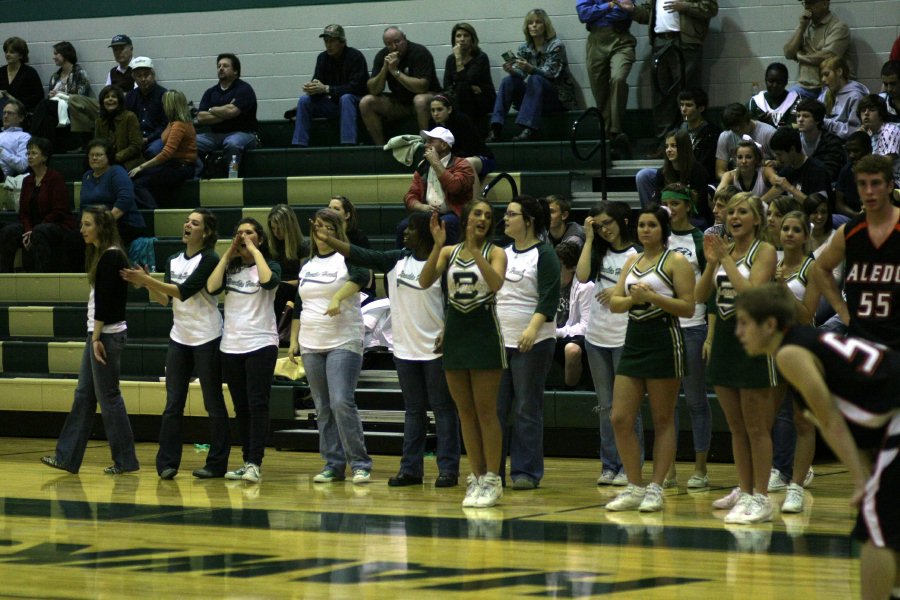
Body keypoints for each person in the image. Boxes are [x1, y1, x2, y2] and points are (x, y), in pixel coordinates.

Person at [734, 283, 899, 600]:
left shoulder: (790, 354)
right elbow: (845, 423)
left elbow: (831, 420)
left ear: (769, 325)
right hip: (889, 420)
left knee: (873, 528)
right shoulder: (804, 344)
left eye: (744, 323)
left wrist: (862, 481)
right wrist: (863, 474)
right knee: (886, 523)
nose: (738, 332)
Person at [314, 211, 461, 488]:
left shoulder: (441, 262)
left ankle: (448, 470)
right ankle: (410, 470)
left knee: (443, 409)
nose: (405, 234)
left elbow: (454, 300)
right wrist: (331, 240)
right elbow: (360, 254)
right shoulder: (396, 259)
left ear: (427, 233)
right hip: (404, 349)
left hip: (435, 349)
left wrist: (448, 329)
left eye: (411, 229)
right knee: (414, 411)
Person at [120, 209, 231, 480]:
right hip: (179, 338)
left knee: (213, 403)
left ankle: (216, 463)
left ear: (205, 232)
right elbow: (165, 299)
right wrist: (148, 284)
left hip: (207, 336)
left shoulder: (210, 259)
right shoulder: (173, 260)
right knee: (173, 404)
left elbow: (183, 291)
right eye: (187, 221)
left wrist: (146, 279)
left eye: (194, 223)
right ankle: (167, 463)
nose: (187, 225)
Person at [605, 206, 695, 512]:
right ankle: (634, 485)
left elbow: (688, 307)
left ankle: (656, 487)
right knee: (620, 417)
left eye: (652, 225)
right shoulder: (632, 259)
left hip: (665, 340)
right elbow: (616, 304)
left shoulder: (677, 261)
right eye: (642, 225)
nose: (646, 230)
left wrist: (653, 297)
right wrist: (634, 299)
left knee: (662, 418)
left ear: (663, 229)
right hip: (634, 340)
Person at [695, 192, 778, 524]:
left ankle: (762, 496)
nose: (735, 217)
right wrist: (713, 262)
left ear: (757, 219)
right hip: (726, 343)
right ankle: (744, 490)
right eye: (731, 213)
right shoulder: (722, 253)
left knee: (757, 426)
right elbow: (701, 297)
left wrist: (724, 258)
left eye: (743, 212)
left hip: (755, 344)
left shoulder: (766, 251)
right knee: (736, 427)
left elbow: (753, 293)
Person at [419, 200, 508, 508]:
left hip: (484, 334)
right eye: (477, 214)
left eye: (487, 215)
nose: (482, 218)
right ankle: (477, 475)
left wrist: (474, 249)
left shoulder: (496, 253)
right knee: (465, 413)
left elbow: (495, 284)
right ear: (466, 218)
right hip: (456, 334)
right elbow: (424, 280)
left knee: (486, 412)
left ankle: (493, 479)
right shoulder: (448, 252)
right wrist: (438, 245)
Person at [40, 205, 138, 475]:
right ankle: (67, 457)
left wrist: (95, 339)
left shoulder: (110, 256)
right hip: (98, 334)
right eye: (82, 224)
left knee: (109, 397)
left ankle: (126, 460)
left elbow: (106, 304)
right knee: (84, 395)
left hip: (105, 335)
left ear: (101, 227)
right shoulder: (103, 255)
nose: (82, 230)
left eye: (87, 224)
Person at [290, 209, 372, 485]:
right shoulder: (308, 264)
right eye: (318, 227)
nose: (321, 232)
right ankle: (333, 464)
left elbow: (363, 276)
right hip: (311, 343)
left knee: (341, 401)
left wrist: (337, 297)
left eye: (328, 227)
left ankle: (360, 463)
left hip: (343, 340)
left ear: (338, 231)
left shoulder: (347, 257)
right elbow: (300, 305)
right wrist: (293, 341)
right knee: (322, 406)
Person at [206, 218, 281, 484]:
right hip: (231, 345)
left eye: (249, 233)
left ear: (259, 238)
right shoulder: (231, 268)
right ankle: (246, 460)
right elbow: (212, 287)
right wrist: (228, 254)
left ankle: (254, 462)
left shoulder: (269, 264)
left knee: (257, 403)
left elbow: (269, 282)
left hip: (261, 343)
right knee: (241, 407)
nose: (243, 237)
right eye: (239, 233)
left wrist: (255, 252)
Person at [575, 201, 642, 486]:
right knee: (604, 406)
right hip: (596, 338)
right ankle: (609, 465)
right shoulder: (598, 252)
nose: (605, 230)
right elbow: (580, 276)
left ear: (622, 221)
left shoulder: (635, 254)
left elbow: (642, 288)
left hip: (625, 337)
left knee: (627, 408)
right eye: (599, 225)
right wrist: (588, 240)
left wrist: (619, 287)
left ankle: (631, 467)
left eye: (608, 223)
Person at [495, 196, 561, 490]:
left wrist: (532, 329)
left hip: (532, 344)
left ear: (529, 221)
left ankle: (526, 472)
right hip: (499, 342)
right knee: (494, 409)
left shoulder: (544, 254)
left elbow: (548, 297)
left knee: (525, 408)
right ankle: (491, 472)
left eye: (511, 214)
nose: (505, 219)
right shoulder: (501, 253)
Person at [815, 155, 900, 350]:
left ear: (889, 186)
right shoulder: (848, 232)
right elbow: (820, 269)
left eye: (876, 183)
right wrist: (842, 311)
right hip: (862, 335)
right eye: (862, 184)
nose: (869, 191)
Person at [767, 211, 820, 511]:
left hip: (801, 348)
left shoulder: (811, 268)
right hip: (772, 346)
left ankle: (797, 485)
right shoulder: (770, 262)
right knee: (767, 416)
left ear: (804, 236)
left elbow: (806, 315)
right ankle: (773, 472)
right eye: (785, 228)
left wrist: (783, 288)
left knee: (802, 419)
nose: (788, 234)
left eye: (795, 230)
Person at [661, 185, 712, 489]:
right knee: (666, 403)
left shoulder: (699, 239)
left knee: (695, 400)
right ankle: (668, 468)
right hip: (664, 329)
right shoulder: (657, 239)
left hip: (693, 326)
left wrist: (710, 332)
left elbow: (711, 286)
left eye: (675, 204)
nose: (669, 209)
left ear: (687, 206)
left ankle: (701, 468)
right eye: (664, 203)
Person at [632, 0, 719, 142]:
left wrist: (684, 6)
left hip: (685, 41)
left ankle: (692, 140)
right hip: (660, 41)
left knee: (688, 92)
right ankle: (666, 143)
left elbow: (710, 8)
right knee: (661, 95)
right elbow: (648, 13)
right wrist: (632, 10)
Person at [488, 9, 575, 143]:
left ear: (545, 25)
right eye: (530, 23)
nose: (533, 25)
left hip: (556, 97)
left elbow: (552, 73)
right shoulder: (525, 48)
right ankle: (496, 127)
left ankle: (530, 129)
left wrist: (531, 69)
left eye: (538, 22)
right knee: (508, 81)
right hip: (535, 95)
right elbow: (521, 75)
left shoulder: (556, 45)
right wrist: (512, 71)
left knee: (535, 78)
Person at [0, 136, 73, 272]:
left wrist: (34, 230)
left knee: (40, 232)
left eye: (33, 153)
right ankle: (5, 276)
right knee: (8, 231)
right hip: (33, 226)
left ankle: (41, 277)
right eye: (28, 153)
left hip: (57, 225)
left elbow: (59, 211)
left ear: (44, 157)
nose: (29, 156)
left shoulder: (55, 178)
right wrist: (28, 230)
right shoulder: (27, 180)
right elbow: (23, 212)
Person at [360, 27, 439, 146]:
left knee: (420, 100)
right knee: (366, 102)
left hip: (427, 99)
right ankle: (381, 148)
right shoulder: (383, 56)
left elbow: (422, 87)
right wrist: (385, 69)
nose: (394, 47)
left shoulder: (419, 52)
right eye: (389, 44)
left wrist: (396, 72)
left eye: (397, 41)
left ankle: (425, 147)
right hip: (400, 102)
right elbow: (373, 89)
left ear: (405, 39)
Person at [291, 24, 368, 147]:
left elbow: (357, 87)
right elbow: (318, 82)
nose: (328, 45)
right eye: (326, 41)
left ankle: (348, 145)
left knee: (346, 98)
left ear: (342, 42)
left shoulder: (355, 56)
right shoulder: (322, 58)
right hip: (333, 105)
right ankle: (299, 144)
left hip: (355, 105)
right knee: (304, 100)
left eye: (332, 41)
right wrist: (312, 88)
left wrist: (327, 88)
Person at [398, 126, 475, 247]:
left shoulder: (463, 165)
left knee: (446, 223)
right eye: (426, 141)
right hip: (428, 213)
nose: (426, 145)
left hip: (455, 214)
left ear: (444, 145)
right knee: (404, 226)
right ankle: (403, 262)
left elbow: (455, 187)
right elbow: (410, 196)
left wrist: (435, 163)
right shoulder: (423, 166)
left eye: (431, 141)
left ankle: (449, 262)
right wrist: (422, 207)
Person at [576, 0, 637, 155]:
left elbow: (623, 11)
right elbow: (583, 14)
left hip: (621, 39)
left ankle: (615, 131)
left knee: (618, 78)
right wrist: (609, 5)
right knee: (599, 90)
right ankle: (608, 137)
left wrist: (597, 12)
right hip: (596, 40)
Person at [128, 90, 197, 208]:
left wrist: (141, 166)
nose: (163, 106)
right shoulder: (172, 122)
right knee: (136, 176)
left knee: (139, 184)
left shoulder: (179, 125)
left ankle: (155, 213)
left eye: (164, 103)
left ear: (170, 105)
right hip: (173, 164)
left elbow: (166, 153)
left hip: (181, 167)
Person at [196, 53, 258, 171]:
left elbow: (232, 111)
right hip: (215, 135)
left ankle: (232, 177)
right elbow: (201, 117)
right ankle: (198, 176)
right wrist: (226, 113)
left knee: (232, 143)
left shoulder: (244, 89)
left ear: (235, 71)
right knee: (189, 142)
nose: (221, 68)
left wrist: (212, 109)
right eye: (219, 66)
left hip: (243, 133)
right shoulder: (210, 92)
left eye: (225, 66)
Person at [79, 138, 145, 248]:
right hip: (94, 224)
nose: (94, 158)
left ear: (108, 157)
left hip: (121, 223)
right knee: (72, 238)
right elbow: (83, 205)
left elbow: (125, 199)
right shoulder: (87, 176)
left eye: (99, 155)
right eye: (92, 155)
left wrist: (104, 223)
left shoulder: (117, 172)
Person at [636, 129, 709, 222]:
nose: (668, 150)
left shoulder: (698, 171)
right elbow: (658, 202)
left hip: (692, 218)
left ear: (684, 148)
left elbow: (700, 206)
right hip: (668, 217)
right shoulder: (662, 173)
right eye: (666, 146)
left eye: (673, 146)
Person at [783, 0, 849, 100]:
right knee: (786, 103)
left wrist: (799, 56)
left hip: (827, 87)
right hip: (803, 87)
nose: (807, 7)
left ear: (825, 3)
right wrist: (801, 28)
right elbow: (788, 53)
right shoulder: (805, 26)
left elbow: (826, 57)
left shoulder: (838, 27)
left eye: (811, 3)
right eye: (806, 3)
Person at [441, 23, 495, 135]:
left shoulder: (480, 57)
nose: (462, 39)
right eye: (458, 36)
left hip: (482, 98)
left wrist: (459, 59)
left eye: (466, 36)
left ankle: (468, 133)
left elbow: (466, 80)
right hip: (460, 98)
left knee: (462, 87)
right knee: (457, 92)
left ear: (472, 39)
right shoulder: (450, 59)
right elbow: (447, 85)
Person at [428, 94, 495, 183]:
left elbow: (469, 150)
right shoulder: (432, 124)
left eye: (439, 109)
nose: (435, 114)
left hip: (479, 158)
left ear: (449, 109)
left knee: (467, 163)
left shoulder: (462, 121)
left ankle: (475, 197)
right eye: (432, 110)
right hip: (453, 161)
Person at [554, 241, 593, 388]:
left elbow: (585, 326)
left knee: (572, 350)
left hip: (572, 335)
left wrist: (559, 332)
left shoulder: (585, 287)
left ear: (572, 268)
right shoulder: (548, 283)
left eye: (559, 267)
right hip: (550, 334)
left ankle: (569, 391)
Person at [764, 126, 832, 204]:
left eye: (779, 154)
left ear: (792, 149)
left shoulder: (818, 170)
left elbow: (818, 207)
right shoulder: (787, 170)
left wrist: (790, 188)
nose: (777, 158)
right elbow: (772, 194)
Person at [266, 204, 309, 324]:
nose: (276, 232)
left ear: (289, 227)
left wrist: (283, 284)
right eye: (273, 228)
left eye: (279, 228)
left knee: (281, 289)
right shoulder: (270, 246)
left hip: (292, 288)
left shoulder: (303, 245)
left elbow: (304, 279)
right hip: (274, 286)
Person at [327, 195, 375, 301]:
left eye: (336, 209)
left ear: (347, 215)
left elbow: (367, 277)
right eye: (329, 208)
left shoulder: (359, 238)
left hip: (359, 289)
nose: (331, 212)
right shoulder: (324, 237)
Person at [715, 103, 776, 180]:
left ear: (748, 119)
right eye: (735, 130)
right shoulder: (725, 136)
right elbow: (719, 172)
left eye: (742, 127)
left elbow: (783, 162)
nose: (739, 132)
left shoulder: (769, 133)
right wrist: (735, 180)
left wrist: (775, 163)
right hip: (737, 180)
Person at [794, 97, 846, 183]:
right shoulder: (793, 139)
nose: (800, 120)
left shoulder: (832, 143)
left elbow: (830, 173)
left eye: (806, 116)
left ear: (817, 120)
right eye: (798, 116)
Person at [817, 54, 868, 140]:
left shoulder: (855, 96)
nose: (823, 79)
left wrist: (825, 123)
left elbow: (854, 130)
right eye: (822, 76)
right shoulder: (825, 94)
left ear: (839, 72)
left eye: (826, 74)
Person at [125, 57, 167, 158]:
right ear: (134, 78)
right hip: (135, 139)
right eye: (139, 76)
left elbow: (166, 124)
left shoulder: (164, 95)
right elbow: (126, 121)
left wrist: (148, 139)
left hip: (158, 137)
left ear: (153, 75)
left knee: (152, 151)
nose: (143, 79)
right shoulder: (130, 96)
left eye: (146, 75)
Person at [94, 84, 143, 171]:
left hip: (129, 163)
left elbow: (136, 146)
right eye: (106, 97)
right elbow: (98, 145)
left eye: (114, 96)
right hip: (107, 162)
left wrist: (114, 158)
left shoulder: (130, 117)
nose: (110, 99)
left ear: (119, 100)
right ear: (102, 101)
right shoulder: (99, 121)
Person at [677, 88, 721, 184]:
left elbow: (704, 164)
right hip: (679, 173)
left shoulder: (712, 133)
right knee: (645, 175)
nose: (683, 109)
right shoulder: (680, 130)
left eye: (688, 105)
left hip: (700, 178)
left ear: (701, 108)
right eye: (681, 105)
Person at [858, 94, 900, 186]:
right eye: (863, 110)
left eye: (872, 110)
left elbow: (887, 162)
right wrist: (859, 138)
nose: (866, 113)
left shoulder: (890, 130)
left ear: (881, 114)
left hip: (894, 182)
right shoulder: (867, 133)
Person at [748, 62, 799, 128]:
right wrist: (757, 124)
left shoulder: (794, 100)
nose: (774, 85)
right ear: (766, 80)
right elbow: (745, 128)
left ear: (786, 82)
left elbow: (795, 127)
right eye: (771, 81)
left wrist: (770, 126)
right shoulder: (755, 102)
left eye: (779, 82)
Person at [0, 36, 44, 112]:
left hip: (22, 112)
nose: (7, 54)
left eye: (12, 52)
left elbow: (38, 98)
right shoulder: (1, 71)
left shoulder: (30, 73)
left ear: (21, 55)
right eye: (6, 52)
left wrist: (13, 100)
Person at [834, 130, 871, 216]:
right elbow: (839, 204)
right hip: (852, 217)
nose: (851, 155)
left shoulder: (881, 171)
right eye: (849, 152)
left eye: (856, 151)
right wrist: (857, 216)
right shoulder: (845, 171)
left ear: (869, 150)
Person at [0, 99, 30, 178]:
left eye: (10, 113)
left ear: (21, 118)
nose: (5, 116)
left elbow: (22, 166)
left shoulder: (24, 136)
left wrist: (1, 152)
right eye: (4, 113)